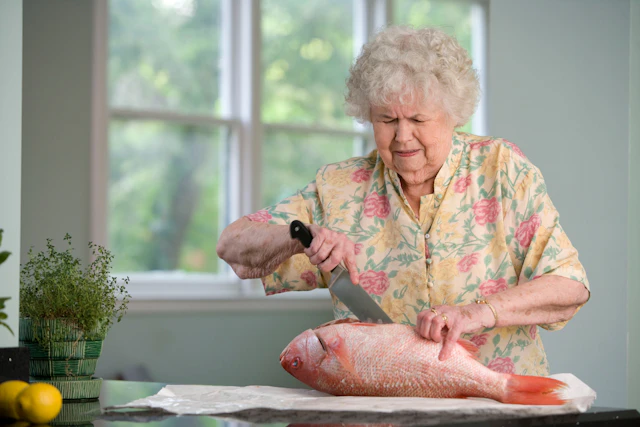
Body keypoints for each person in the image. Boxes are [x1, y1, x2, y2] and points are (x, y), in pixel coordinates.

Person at [216, 26, 590, 376]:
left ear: (452, 116)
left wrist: (480, 313)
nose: (402, 136)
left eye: (418, 119)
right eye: (386, 119)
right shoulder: (340, 187)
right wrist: (298, 237)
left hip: (501, 403)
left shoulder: (501, 169)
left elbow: (569, 286)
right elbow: (232, 244)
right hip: (382, 412)